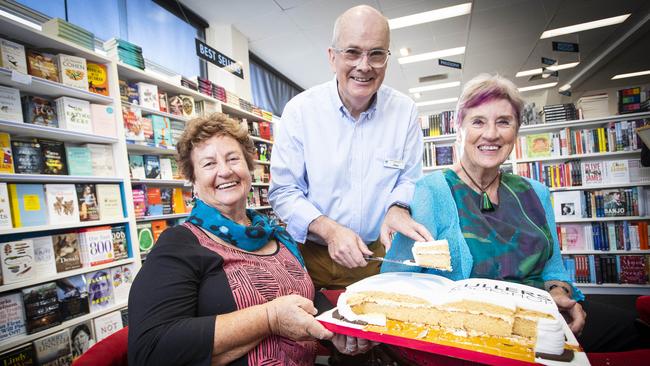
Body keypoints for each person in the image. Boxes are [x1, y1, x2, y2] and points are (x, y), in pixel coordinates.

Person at [383, 73, 648, 354]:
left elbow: (553, 268)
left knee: (636, 330)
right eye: (478, 121)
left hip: (540, 319)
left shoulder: (535, 192)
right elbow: (397, 278)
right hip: (473, 332)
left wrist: (558, 293)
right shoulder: (431, 191)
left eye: (504, 122)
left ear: (516, 130)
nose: (491, 134)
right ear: (459, 128)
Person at [128, 113, 370, 365]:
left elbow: (306, 300)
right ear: (194, 181)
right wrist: (269, 318)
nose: (225, 171)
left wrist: (338, 332)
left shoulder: (280, 236)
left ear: (248, 168)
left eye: (233, 159)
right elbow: (150, 350)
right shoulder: (180, 244)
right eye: (209, 164)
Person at [269, 5, 432, 290]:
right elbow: (283, 191)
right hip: (314, 258)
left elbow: (409, 178)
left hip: (380, 255)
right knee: (320, 332)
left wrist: (397, 208)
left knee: (380, 332)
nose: (364, 65)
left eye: (376, 54)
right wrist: (330, 231)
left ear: (387, 58)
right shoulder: (300, 112)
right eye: (352, 52)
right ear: (333, 57)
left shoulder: (404, 111)